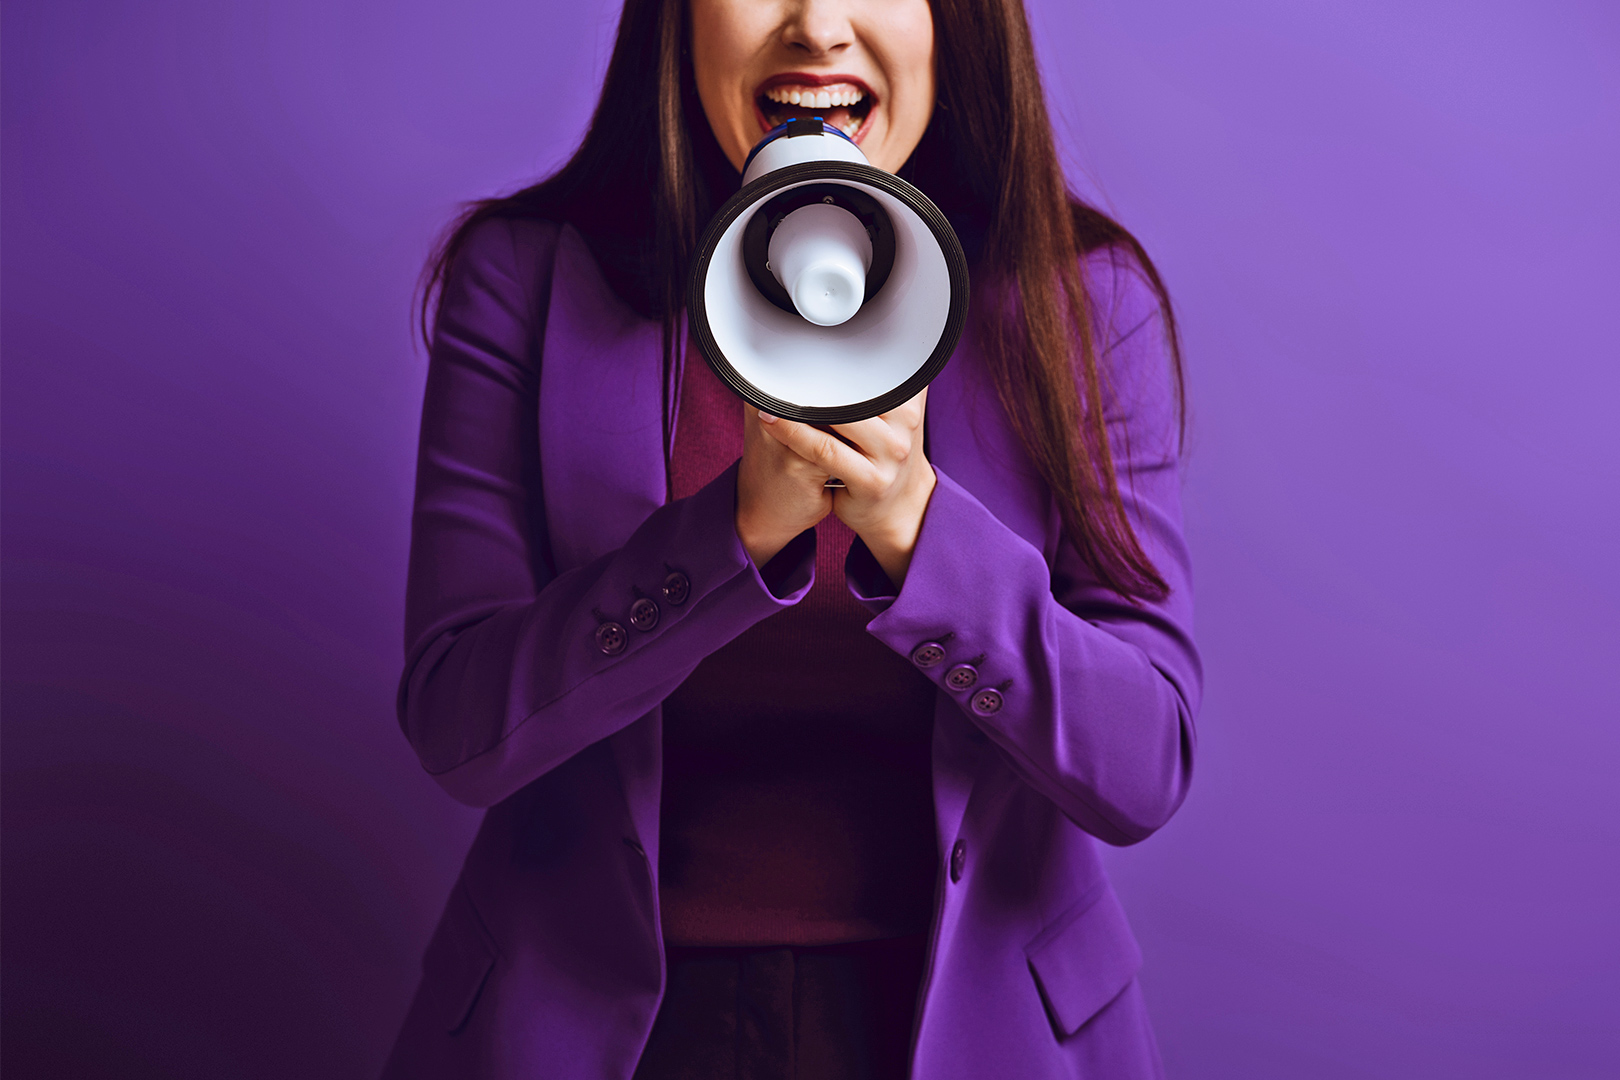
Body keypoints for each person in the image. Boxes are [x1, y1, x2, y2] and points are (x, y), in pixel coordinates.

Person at [381, 0, 1201, 1075]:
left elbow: (1142, 768)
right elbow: (459, 725)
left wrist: (920, 535)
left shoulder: (1082, 304)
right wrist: (723, 540)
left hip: (972, 1028)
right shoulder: (529, 279)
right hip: (600, 1030)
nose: (818, 27)